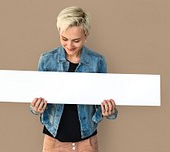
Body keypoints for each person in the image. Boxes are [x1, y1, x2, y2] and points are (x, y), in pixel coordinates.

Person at [30, 6, 118, 152]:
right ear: (59, 32)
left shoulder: (98, 61)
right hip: (53, 140)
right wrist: (36, 108)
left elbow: (105, 102)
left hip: (87, 141)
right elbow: (34, 103)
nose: (69, 45)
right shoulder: (46, 60)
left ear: (86, 35)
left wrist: (108, 111)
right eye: (64, 39)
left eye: (76, 40)